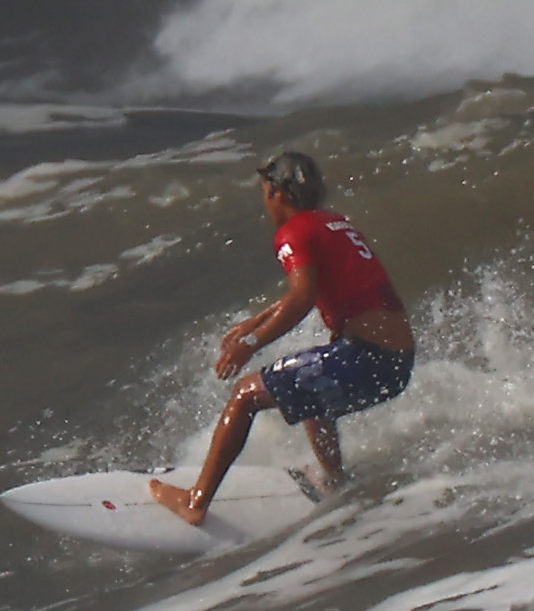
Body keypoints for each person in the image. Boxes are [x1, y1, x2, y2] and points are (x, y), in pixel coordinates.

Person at [150, 151, 414, 525]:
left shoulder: (294, 232)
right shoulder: (335, 224)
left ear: (279, 194)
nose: (265, 201)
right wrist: (257, 320)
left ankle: (195, 502)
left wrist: (250, 344)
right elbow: (310, 289)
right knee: (309, 384)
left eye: (264, 192)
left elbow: (303, 297)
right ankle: (335, 479)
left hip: (366, 359)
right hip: (395, 365)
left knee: (244, 395)